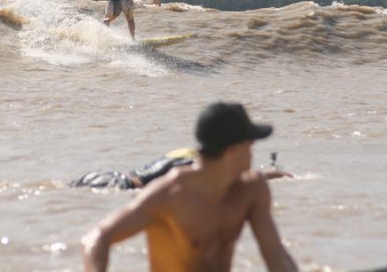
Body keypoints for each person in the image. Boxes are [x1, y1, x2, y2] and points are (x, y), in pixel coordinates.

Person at [81, 102, 298, 272]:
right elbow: (98, 237)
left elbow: (275, 255)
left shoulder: (252, 189)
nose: (252, 152)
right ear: (232, 151)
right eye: (250, 144)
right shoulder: (170, 194)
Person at [71, 147, 293, 190]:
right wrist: (273, 175)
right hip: (120, 185)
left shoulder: (187, 152)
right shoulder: (200, 165)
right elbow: (236, 180)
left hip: (104, 175)